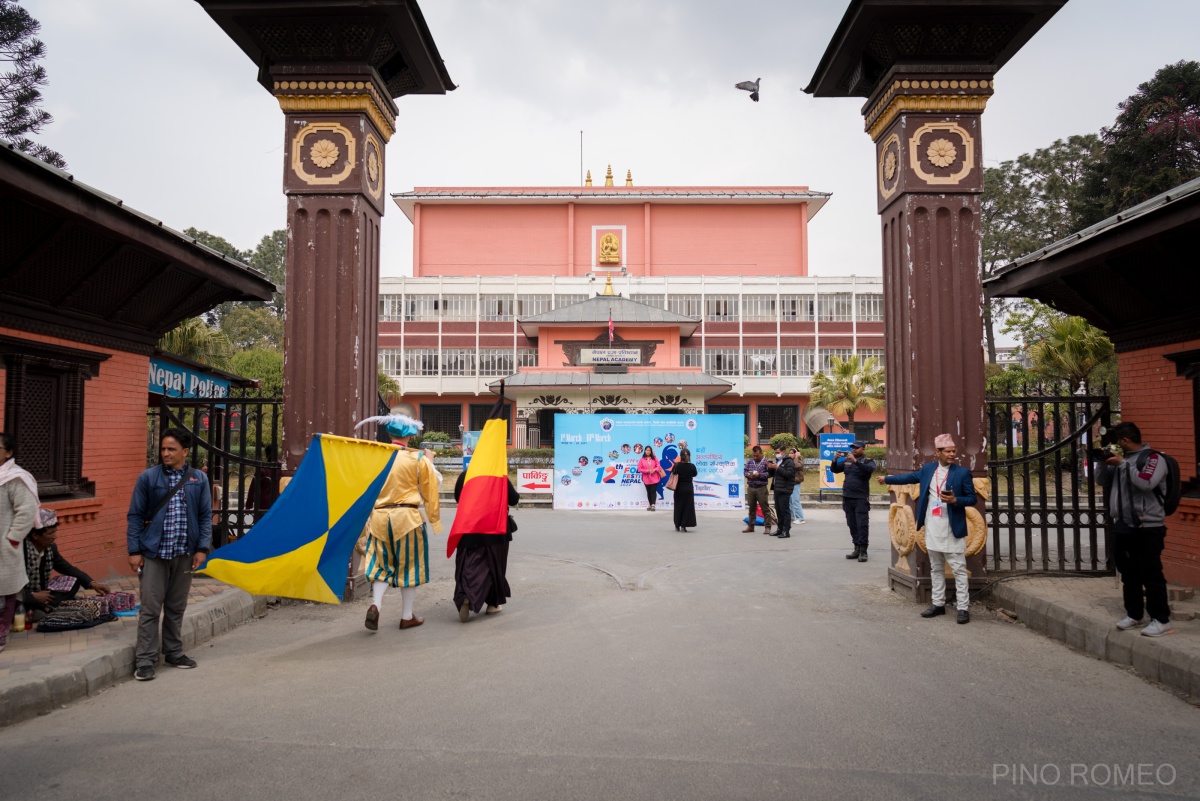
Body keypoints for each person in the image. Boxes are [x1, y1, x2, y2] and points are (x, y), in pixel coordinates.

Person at [126, 428, 213, 680]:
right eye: (163, 449)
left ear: (185, 452)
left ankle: (174, 652)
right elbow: (135, 516)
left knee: (176, 607)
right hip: (154, 553)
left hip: (185, 553)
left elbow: (205, 515)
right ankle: (145, 660)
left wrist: (202, 548)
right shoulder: (148, 478)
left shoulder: (198, 479)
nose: (165, 453)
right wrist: (134, 551)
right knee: (151, 608)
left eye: (171, 449)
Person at [356, 413, 443, 632]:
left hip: (379, 519)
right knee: (410, 567)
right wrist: (434, 519)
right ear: (411, 436)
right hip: (407, 520)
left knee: (380, 566)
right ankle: (406, 616)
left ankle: (375, 604)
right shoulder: (418, 459)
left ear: (389, 433)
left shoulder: (376, 458)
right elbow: (432, 486)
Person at [879, 433, 977, 623]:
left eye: (954, 451)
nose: (952, 454)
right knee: (936, 567)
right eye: (948, 451)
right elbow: (909, 477)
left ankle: (963, 608)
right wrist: (887, 479)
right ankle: (938, 603)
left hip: (953, 528)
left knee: (958, 568)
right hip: (932, 526)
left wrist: (956, 500)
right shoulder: (928, 469)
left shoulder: (962, 473)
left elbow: (972, 498)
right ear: (937, 452)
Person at [1095, 422, 1173, 637]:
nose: (1116, 446)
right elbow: (1101, 480)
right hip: (1124, 525)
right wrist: (1102, 462)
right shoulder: (1123, 462)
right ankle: (1134, 614)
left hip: (1149, 526)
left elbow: (1146, 483)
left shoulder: (1154, 459)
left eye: (1117, 442)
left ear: (1125, 440)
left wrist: (1122, 464)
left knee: (1151, 573)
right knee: (1129, 574)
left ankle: (1161, 619)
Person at [23, 508, 111, 621]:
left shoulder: (51, 549)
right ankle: (35, 609)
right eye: (50, 533)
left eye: (55, 532)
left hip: (43, 591)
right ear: (35, 535)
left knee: (73, 580)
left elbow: (67, 568)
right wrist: (32, 596)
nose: (55, 537)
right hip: (22, 593)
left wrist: (92, 584)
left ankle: (45, 608)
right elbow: (10, 585)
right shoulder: (21, 551)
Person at [453, 472, 517, 621]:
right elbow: (514, 500)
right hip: (495, 529)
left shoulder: (465, 475)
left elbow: (458, 498)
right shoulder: (499, 476)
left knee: (468, 564)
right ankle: (493, 605)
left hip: (469, 528)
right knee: (494, 567)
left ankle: (466, 596)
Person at [1, 432, 39, 653]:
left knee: (6, 592)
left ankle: (1, 633)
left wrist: (12, 538)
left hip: (4, 545)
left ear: (8, 453)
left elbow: (26, 511)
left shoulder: (15, 477)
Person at [831, 441, 876, 561]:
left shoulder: (868, 461)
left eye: (856, 448)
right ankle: (856, 547)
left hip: (860, 498)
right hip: (847, 497)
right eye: (852, 448)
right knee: (852, 524)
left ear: (863, 449)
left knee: (862, 524)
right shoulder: (847, 461)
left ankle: (863, 550)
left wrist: (856, 461)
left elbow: (869, 470)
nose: (854, 450)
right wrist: (835, 460)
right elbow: (834, 470)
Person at [742, 445, 776, 535]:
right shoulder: (750, 462)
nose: (755, 457)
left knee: (765, 507)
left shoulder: (766, 462)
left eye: (757, 455)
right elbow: (745, 471)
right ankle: (751, 526)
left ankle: (767, 526)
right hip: (751, 487)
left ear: (761, 453)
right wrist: (748, 475)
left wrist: (759, 475)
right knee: (751, 507)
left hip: (761, 488)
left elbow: (769, 474)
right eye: (754, 455)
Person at [244, 443, 281, 522]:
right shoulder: (282, 469)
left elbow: (253, 488)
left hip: (263, 505)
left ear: (266, 454)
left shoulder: (262, 469)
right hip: (279, 503)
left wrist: (248, 504)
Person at [766, 449, 796, 538]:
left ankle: (786, 531)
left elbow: (789, 474)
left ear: (783, 452)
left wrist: (778, 468)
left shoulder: (789, 462)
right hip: (777, 489)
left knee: (784, 511)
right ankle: (780, 529)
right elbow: (772, 475)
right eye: (775, 452)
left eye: (778, 452)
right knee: (778, 511)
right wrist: (770, 467)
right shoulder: (777, 461)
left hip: (785, 489)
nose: (777, 454)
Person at [670, 449, 698, 532]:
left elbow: (673, 472)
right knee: (687, 507)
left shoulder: (677, 465)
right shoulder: (692, 466)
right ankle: (684, 525)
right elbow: (695, 474)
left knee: (678, 506)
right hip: (688, 488)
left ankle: (677, 525)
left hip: (678, 489)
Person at [638, 446, 667, 511]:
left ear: (651, 451)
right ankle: (650, 504)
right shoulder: (642, 459)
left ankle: (653, 505)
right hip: (646, 478)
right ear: (645, 451)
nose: (648, 451)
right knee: (649, 492)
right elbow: (639, 468)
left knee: (653, 491)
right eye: (647, 450)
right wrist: (647, 471)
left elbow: (658, 466)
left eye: (649, 450)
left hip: (655, 478)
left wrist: (654, 470)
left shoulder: (655, 458)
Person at [788, 447, 807, 527]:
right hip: (789, 483)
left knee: (795, 501)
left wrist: (796, 457)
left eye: (793, 453)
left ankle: (800, 518)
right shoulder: (789, 461)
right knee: (790, 501)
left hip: (795, 483)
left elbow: (796, 466)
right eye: (790, 453)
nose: (791, 454)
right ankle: (792, 517)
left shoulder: (799, 462)